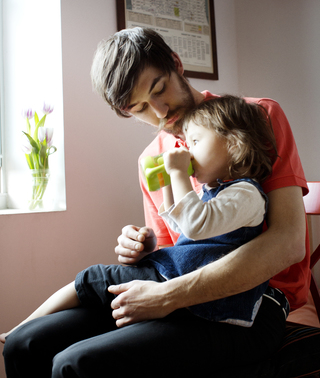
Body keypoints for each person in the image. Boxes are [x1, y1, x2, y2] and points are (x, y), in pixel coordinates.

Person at [2, 27, 308, 378]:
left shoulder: (254, 117)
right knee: (26, 345)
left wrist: (169, 296)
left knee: (75, 366)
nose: (160, 111)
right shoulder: (153, 160)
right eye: (140, 107)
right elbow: (177, 250)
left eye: (159, 88)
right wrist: (144, 247)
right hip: (183, 289)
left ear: (176, 64)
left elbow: (289, 241)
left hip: (254, 301)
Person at [1, 96, 279, 345]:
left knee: (91, 278)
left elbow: (196, 225)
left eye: (195, 141)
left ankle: (23, 328)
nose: (188, 151)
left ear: (232, 143)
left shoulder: (247, 193)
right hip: (182, 278)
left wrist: (179, 173)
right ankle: (29, 331)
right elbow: (181, 227)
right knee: (93, 291)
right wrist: (168, 182)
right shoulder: (217, 191)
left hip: (193, 287)